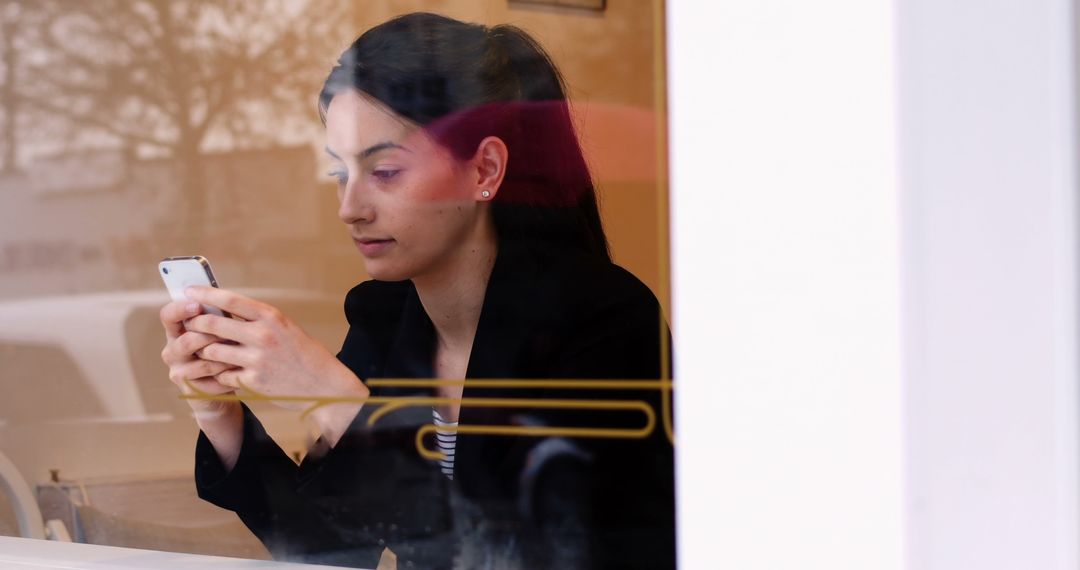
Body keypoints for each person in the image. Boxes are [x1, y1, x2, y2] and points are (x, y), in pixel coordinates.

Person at [158, 12, 673, 569]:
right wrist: (221, 416)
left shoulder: (605, 324)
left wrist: (331, 398)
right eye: (340, 174)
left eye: (384, 172)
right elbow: (326, 546)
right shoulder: (387, 318)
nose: (349, 208)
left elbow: (517, 557)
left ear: (485, 168)